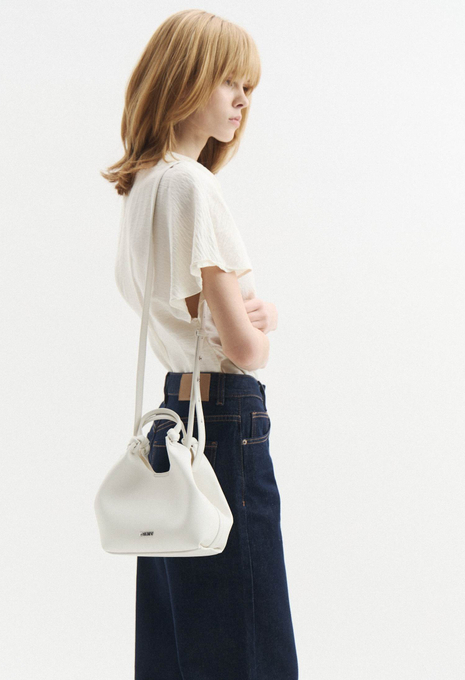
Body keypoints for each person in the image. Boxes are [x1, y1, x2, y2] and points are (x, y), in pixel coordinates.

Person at [101, 9, 299, 680]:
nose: (242, 100)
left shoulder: (144, 185)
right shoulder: (192, 185)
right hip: (225, 419)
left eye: (249, 87)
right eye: (229, 81)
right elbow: (244, 349)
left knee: (181, 642)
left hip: (173, 418)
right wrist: (266, 320)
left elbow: (180, 311)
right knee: (249, 636)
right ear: (184, 79)